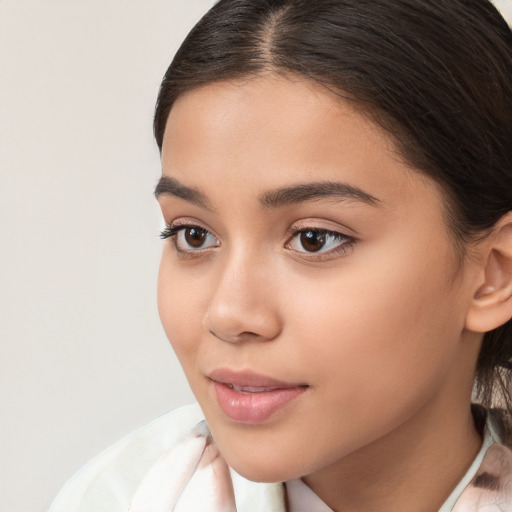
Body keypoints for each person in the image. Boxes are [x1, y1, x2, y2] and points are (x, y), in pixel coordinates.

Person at [48, 0, 512, 510]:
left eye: (315, 238)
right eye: (193, 235)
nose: (228, 314)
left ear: (494, 274)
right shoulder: (118, 495)